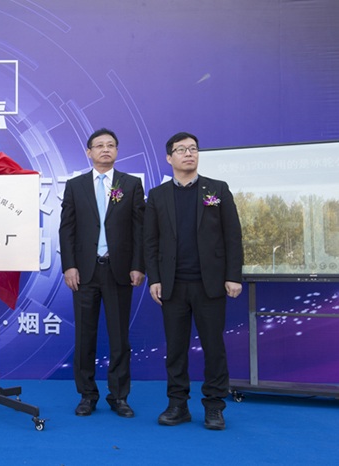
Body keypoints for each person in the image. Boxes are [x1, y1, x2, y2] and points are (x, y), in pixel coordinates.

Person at [144, 132, 243, 430]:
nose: (189, 153)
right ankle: (178, 405)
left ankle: (214, 406)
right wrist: (154, 278)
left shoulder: (217, 189)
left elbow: (233, 236)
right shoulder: (158, 195)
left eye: (193, 149)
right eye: (181, 149)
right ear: (169, 158)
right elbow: (150, 241)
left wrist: (233, 276)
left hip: (210, 284)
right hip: (172, 285)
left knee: (214, 348)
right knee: (175, 349)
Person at [59, 128, 146, 417]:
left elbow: (140, 229)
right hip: (84, 272)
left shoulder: (130, 184)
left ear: (117, 151)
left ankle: (119, 396)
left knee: (120, 337)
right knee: (85, 336)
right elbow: (67, 229)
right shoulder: (75, 185)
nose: (105, 149)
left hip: (119, 270)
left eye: (111, 145)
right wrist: (69, 266)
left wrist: (138, 265)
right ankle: (87, 394)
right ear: (89, 152)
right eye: (99, 145)